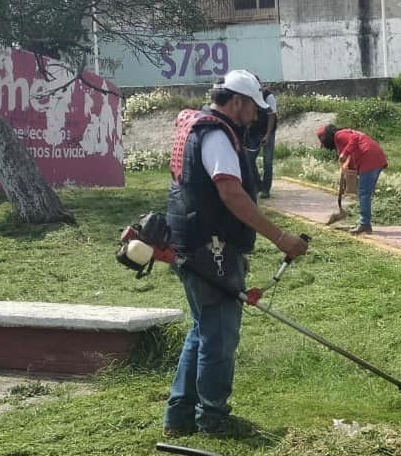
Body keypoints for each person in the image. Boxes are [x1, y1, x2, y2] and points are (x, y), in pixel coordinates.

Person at [165, 70, 309, 437]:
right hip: (212, 245)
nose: (256, 116)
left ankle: (180, 415)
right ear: (237, 102)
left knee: (202, 328)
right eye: (253, 108)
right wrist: (280, 237)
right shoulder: (215, 135)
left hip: (190, 241)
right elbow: (230, 193)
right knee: (220, 333)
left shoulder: (197, 126)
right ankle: (212, 417)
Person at [317, 123, 387, 235]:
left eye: (323, 143)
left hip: (370, 158)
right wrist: (345, 180)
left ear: (327, 138)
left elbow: (354, 139)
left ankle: (364, 224)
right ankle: (364, 223)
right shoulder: (340, 140)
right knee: (364, 193)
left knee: (364, 194)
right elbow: (351, 157)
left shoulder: (339, 135)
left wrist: (344, 153)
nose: (325, 146)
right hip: (373, 158)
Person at [243, 90, 278, 199]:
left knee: (267, 162)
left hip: (268, 131)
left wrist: (267, 135)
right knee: (249, 160)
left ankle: (266, 190)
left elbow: (272, 115)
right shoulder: (247, 94)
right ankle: (258, 186)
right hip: (254, 131)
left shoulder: (268, 96)